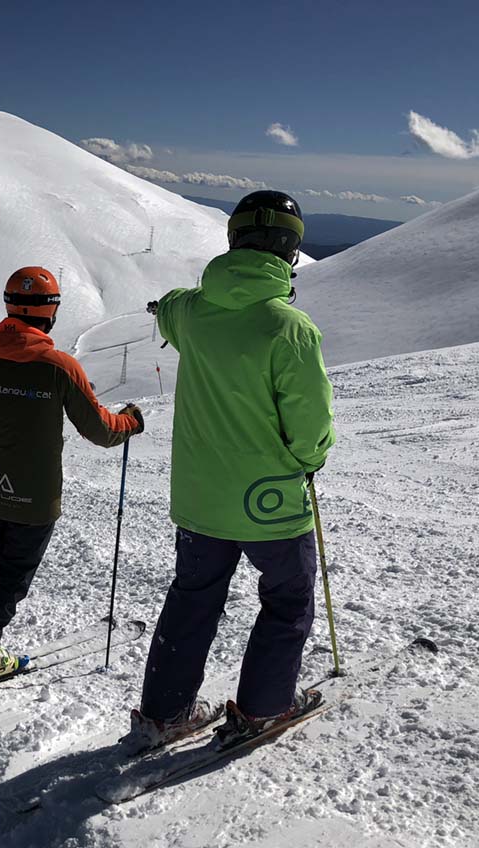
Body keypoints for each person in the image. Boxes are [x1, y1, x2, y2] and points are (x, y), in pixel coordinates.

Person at [129, 190, 336, 750]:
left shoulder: (194, 313)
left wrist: (166, 307)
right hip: (268, 499)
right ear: (291, 250)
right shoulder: (289, 328)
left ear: (233, 239)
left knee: (193, 597)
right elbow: (311, 421)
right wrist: (306, 461)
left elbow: (171, 304)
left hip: (200, 499)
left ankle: (163, 714)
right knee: (287, 597)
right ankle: (263, 708)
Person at [0, 266, 143, 690]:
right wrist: (130, 423)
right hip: (35, 499)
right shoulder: (59, 366)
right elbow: (101, 431)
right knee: (8, 577)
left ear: (10, 306)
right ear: (51, 314)